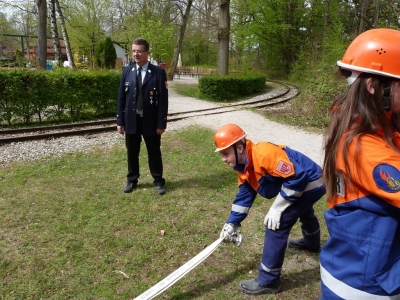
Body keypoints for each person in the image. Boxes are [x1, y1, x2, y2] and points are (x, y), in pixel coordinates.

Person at [320, 28, 400, 299]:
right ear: (376, 87)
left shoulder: (364, 126)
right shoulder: (365, 147)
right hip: (366, 285)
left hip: (355, 269)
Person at [215, 124, 326, 295]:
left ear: (239, 148)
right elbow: (244, 198)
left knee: (277, 225)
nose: (223, 158)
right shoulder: (244, 167)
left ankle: (269, 280)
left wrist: (277, 208)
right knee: (303, 210)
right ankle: (311, 243)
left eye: (225, 153)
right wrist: (232, 223)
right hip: (308, 182)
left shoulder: (263, 154)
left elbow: (298, 179)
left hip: (311, 183)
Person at [117, 38, 168, 195]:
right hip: (131, 120)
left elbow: (163, 101)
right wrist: (120, 121)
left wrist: (161, 123)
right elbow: (121, 98)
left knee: (154, 152)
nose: (135, 54)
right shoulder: (127, 71)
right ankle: (132, 180)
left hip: (151, 122)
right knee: (132, 152)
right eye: (133, 51)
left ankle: (158, 181)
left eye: (139, 51)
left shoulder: (158, 73)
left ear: (147, 52)